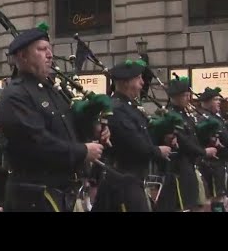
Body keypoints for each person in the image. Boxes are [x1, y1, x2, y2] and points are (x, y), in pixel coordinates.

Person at [0, 23, 107, 212]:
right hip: (34, 196)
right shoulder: (15, 94)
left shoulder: (52, 90)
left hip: (61, 192)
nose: (50, 54)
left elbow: (69, 128)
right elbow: (36, 142)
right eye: (42, 49)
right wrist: (82, 151)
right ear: (22, 56)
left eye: (50, 49)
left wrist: (93, 127)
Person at [91, 60, 172, 212]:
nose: (142, 83)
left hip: (133, 180)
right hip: (121, 181)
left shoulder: (131, 107)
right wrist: (158, 151)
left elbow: (145, 136)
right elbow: (135, 144)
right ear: (127, 82)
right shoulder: (117, 109)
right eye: (139, 78)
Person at [156, 77, 217, 212]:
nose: (188, 98)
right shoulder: (171, 116)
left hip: (190, 166)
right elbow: (184, 142)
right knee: (184, 207)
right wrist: (204, 152)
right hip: (178, 169)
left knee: (198, 204)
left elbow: (193, 137)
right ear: (175, 97)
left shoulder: (185, 115)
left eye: (188, 94)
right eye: (184, 95)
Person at [197, 87, 228, 212]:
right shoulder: (204, 119)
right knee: (215, 198)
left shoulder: (217, 117)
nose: (219, 102)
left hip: (220, 162)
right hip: (211, 164)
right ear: (207, 102)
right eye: (216, 99)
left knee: (221, 197)